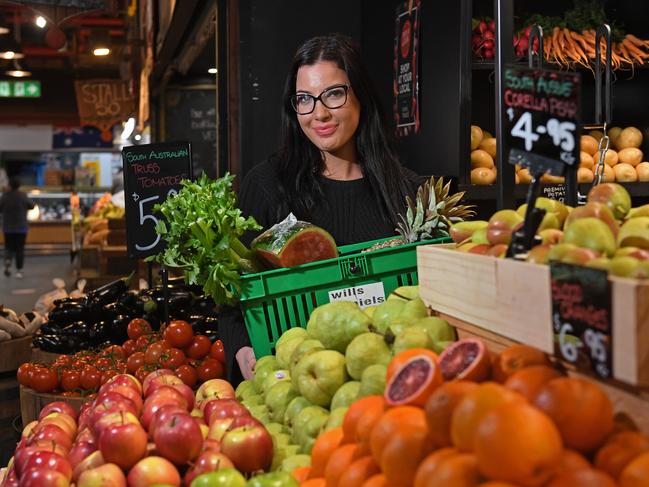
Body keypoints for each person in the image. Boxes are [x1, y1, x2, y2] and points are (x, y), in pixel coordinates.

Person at [219, 33, 421, 384]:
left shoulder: (406, 191)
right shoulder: (268, 186)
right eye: (305, 100)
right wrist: (242, 348)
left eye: (334, 94)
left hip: (388, 378)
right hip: (296, 382)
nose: (319, 113)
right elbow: (231, 295)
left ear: (360, 96)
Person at [0, 177, 35, 278]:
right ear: (19, 186)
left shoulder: (5, 196)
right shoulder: (22, 195)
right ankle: (19, 271)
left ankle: (7, 261)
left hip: (8, 227)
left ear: (10, 185)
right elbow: (32, 205)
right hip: (21, 227)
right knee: (20, 248)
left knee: (9, 247)